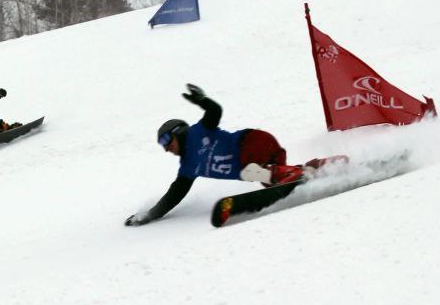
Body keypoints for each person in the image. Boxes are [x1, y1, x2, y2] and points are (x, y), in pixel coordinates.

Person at [124, 84, 341, 226]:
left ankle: (293, 173)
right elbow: (174, 195)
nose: (165, 148)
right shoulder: (188, 167)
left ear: (178, 132)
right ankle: (317, 167)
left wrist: (202, 100)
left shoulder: (199, 132)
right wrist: (149, 215)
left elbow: (215, 112)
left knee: (251, 172)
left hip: (253, 142)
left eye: (165, 141)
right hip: (260, 164)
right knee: (273, 183)